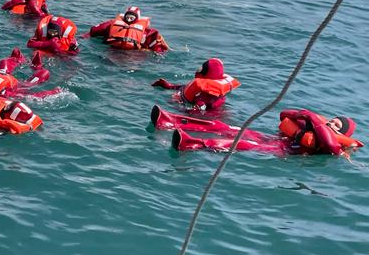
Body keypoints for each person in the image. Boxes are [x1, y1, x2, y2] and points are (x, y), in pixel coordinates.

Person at [152, 106, 363, 156]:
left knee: (244, 144)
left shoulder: (337, 147)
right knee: (230, 128)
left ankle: (192, 144)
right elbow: (283, 115)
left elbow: (330, 145)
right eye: (332, 121)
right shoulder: (313, 123)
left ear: (343, 133)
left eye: (337, 126)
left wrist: (313, 120)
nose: (332, 125)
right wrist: (303, 114)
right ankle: (171, 121)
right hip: (272, 138)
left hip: (280, 150)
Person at [152, 58, 239, 111]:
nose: (199, 70)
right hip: (216, 110)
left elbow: (201, 108)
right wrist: (169, 86)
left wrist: (183, 110)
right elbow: (186, 88)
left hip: (212, 117)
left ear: (207, 73)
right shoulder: (203, 87)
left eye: (202, 68)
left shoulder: (203, 94)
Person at [89, 6, 169, 53]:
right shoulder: (111, 24)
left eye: (132, 18)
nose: (129, 20)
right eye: (127, 17)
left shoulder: (147, 32)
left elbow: (157, 46)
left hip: (134, 53)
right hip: (113, 50)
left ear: (137, 19)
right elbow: (94, 31)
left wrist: (156, 52)